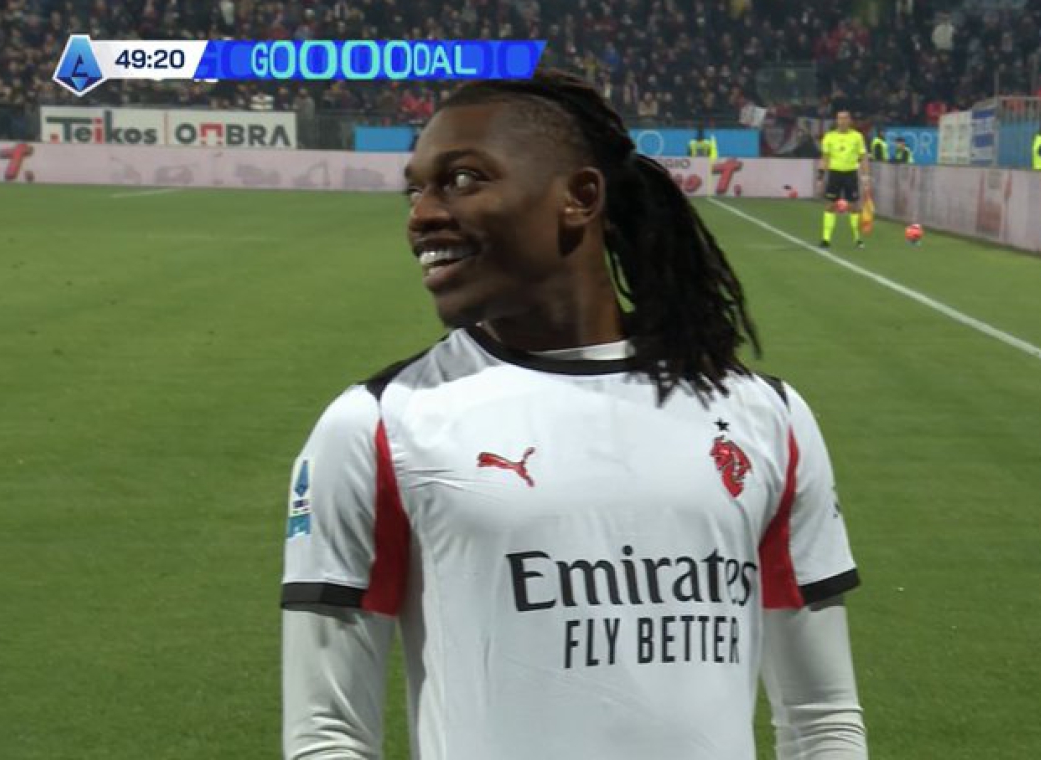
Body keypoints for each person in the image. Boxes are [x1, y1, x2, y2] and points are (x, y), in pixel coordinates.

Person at [281, 69, 868, 760]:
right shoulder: (377, 425)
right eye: (416, 190)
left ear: (580, 198)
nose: (423, 215)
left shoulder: (765, 416)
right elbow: (328, 734)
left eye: (463, 180)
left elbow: (822, 719)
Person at [819, 110, 870, 249]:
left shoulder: (857, 136)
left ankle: (857, 238)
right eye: (840, 118)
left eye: (845, 118)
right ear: (836, 121)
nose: (842, 121)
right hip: (835, 173)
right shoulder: (829, 136)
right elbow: (825, 157)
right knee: (830, 205)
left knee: (854, 206)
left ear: (850, 120)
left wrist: (865, 176)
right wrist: (820, 176)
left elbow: (863, 157)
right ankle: (826, 239)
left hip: (850, 173)